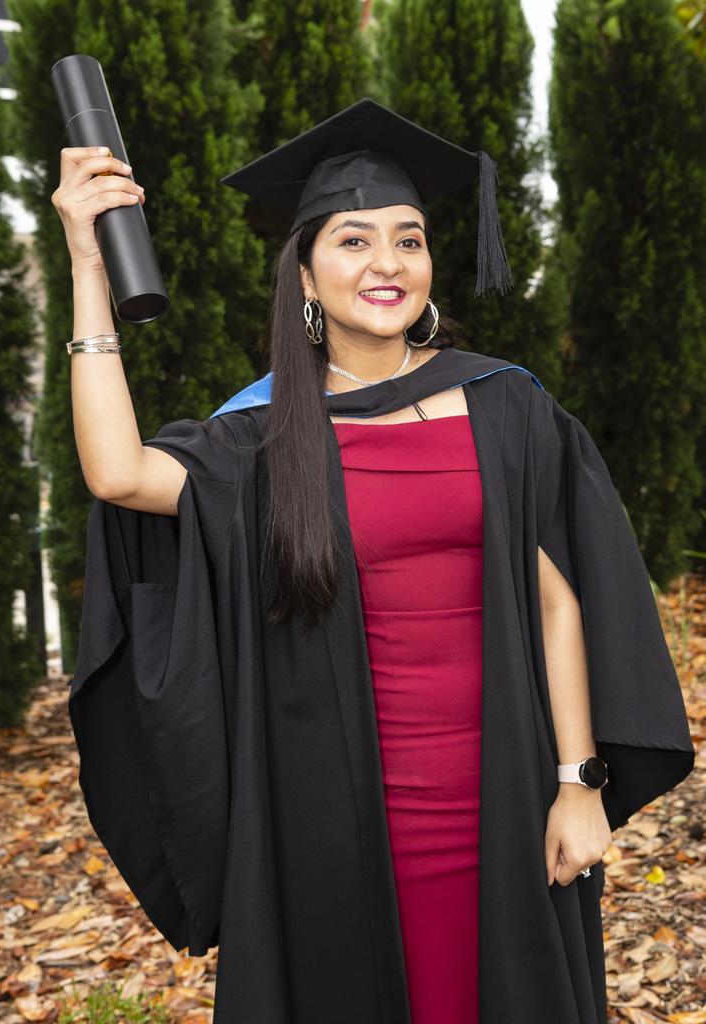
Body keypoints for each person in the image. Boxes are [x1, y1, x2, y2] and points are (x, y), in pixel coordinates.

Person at [52, 99, 694, 1024]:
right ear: (306, 275)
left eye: (409, 238)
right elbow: (117, 473)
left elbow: (561, 606)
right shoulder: (267, 438)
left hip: (504, 797)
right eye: (353, 240)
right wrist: (86, 261)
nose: (387, 262)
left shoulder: (509, 410)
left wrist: (578, 782)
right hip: (331, 811)